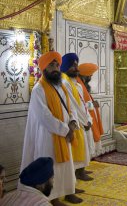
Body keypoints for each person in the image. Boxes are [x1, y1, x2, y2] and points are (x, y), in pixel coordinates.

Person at [20, 51, 79, 205]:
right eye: (51, 65)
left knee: (66, 165)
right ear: (44, 68)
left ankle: (68, 191)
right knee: (52, 168)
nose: (55, 68)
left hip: (65, 133)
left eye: (57, 65)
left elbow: (70, 108)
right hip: (48, 136)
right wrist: (66, 130)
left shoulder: (60, 87)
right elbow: (44, 117)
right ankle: (53, 197)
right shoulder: (38, 90)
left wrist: (72, 123)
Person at [60, 53, 93, 182]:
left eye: (76, 64)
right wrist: (85, 120)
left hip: (82, 119)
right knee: (75, 151)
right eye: (72, 65)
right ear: (65, 66)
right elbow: (73, 105)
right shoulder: (64, 82)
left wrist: (88, 119)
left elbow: (82, 104)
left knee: (83, 147)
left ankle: (80, 171)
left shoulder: (76, 84)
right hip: (74, 121)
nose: (75, 68)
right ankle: (74, 177)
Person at [78, 63, 104, 155]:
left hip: (89, 118)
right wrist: (92, 104)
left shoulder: (83, 84)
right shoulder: (78, 85)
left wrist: (92, 103)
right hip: (83, 119)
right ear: (85, 75)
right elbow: (79, 104)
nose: (91, 77)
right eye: (90, 75)